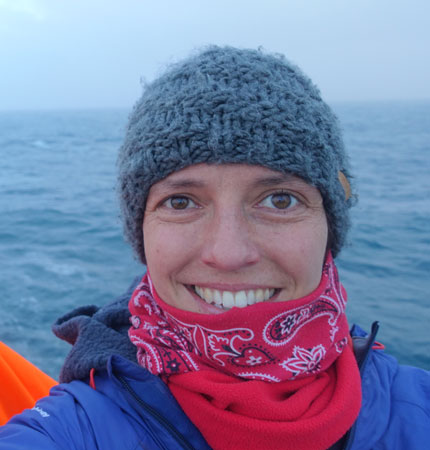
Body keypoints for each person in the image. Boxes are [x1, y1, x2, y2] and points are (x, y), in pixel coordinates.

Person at [0, 46, 429, 449]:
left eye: (280, 199)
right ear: (142, 231)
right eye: (181, 202)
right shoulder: (72, 431)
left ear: (329, 227)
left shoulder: (417, 409)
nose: (228, 253)